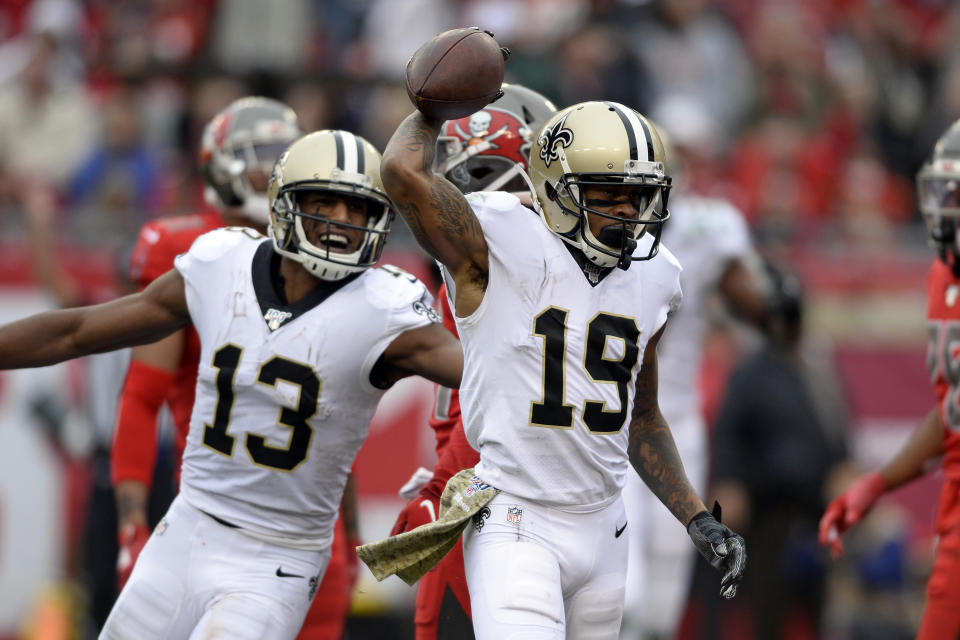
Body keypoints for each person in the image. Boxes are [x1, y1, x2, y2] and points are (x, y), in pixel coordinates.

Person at [0, 128, 463, 639]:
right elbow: (76, 331)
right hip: (188, 527)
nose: (343, 221)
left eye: (358, 209)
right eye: (325, 202)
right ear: (285, 202)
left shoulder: (386, 308)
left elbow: (482, 373)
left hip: (278, 558)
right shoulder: (221, 262)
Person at [379, 66, 747, 637]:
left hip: (606, 526)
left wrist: (695, 517)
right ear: (556, 187)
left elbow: (641, 418)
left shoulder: (657, 275)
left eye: (639, 196)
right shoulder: (499, 238)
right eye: (609, 195)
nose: (627, 212)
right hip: (515, 515)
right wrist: (429, 109)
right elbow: (401, 172)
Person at [110, 96, 362, 639]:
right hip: (210, 518)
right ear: (219, 167)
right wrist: (131, 522)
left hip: (307, 530)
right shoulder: (195, 252)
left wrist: (355, 530)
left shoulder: (328, 256)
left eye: (282, 153)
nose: (271, 167)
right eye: (260, 154)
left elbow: (338, 414)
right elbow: (141, 394)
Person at [389, 83, 558, 640]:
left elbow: (499, 413)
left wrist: (440, 488)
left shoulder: (532, 280)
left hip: (503, 504)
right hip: (481, 503)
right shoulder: (469, 279)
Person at [619, 116, 769, 639]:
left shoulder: (706, 230)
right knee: (625, 582)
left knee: (666, 569)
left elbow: (754, 304)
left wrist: (771, 299)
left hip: (673, 416)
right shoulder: (591, 227)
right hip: (608, 419)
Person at [819, 117, 960, 640]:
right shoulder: (944, 278)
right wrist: (878, 483)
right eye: (944, 192)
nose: (946, 208)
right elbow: (952, 410)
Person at [713, 261, 848, 640]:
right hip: (766, 508)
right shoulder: (750, 372)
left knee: (832, 599)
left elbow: (838, 430)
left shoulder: (818, 369)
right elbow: (729, 433)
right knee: (767, 602)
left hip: (818, 503)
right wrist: (728, 480)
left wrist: (846, 466)